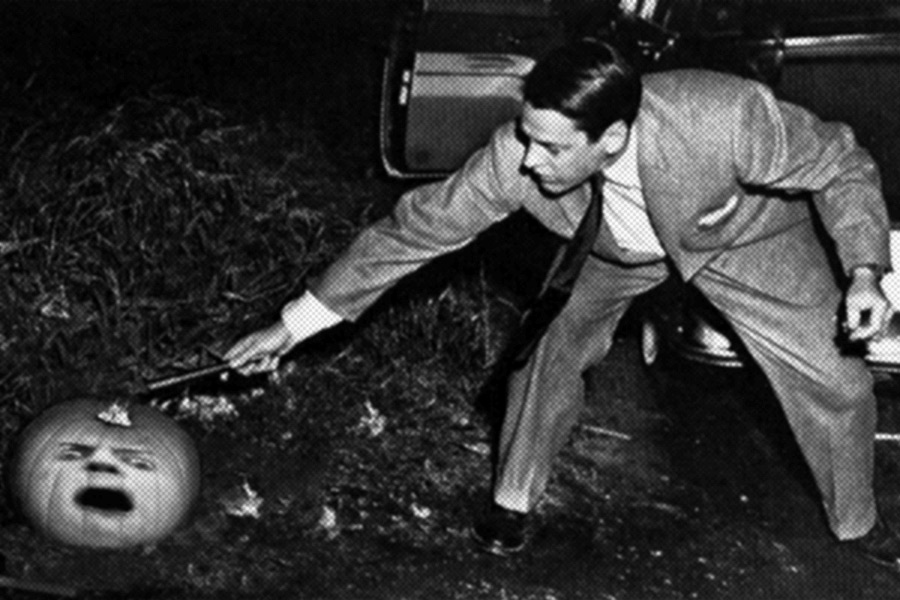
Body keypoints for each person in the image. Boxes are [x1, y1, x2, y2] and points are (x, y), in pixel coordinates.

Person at [225, 39, 900, 568]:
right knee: (546, 347)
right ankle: (512, 499)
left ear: (609, 139)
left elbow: (842, 164)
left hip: (742, 240)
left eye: (551, 146)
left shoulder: (721, 116)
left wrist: (866, 272)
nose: (529, 161)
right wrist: (291, 326)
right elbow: (410, 233)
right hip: (611, 252)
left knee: (836, 376)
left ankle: (856, 524)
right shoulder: (511, 158)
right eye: (527, 134)